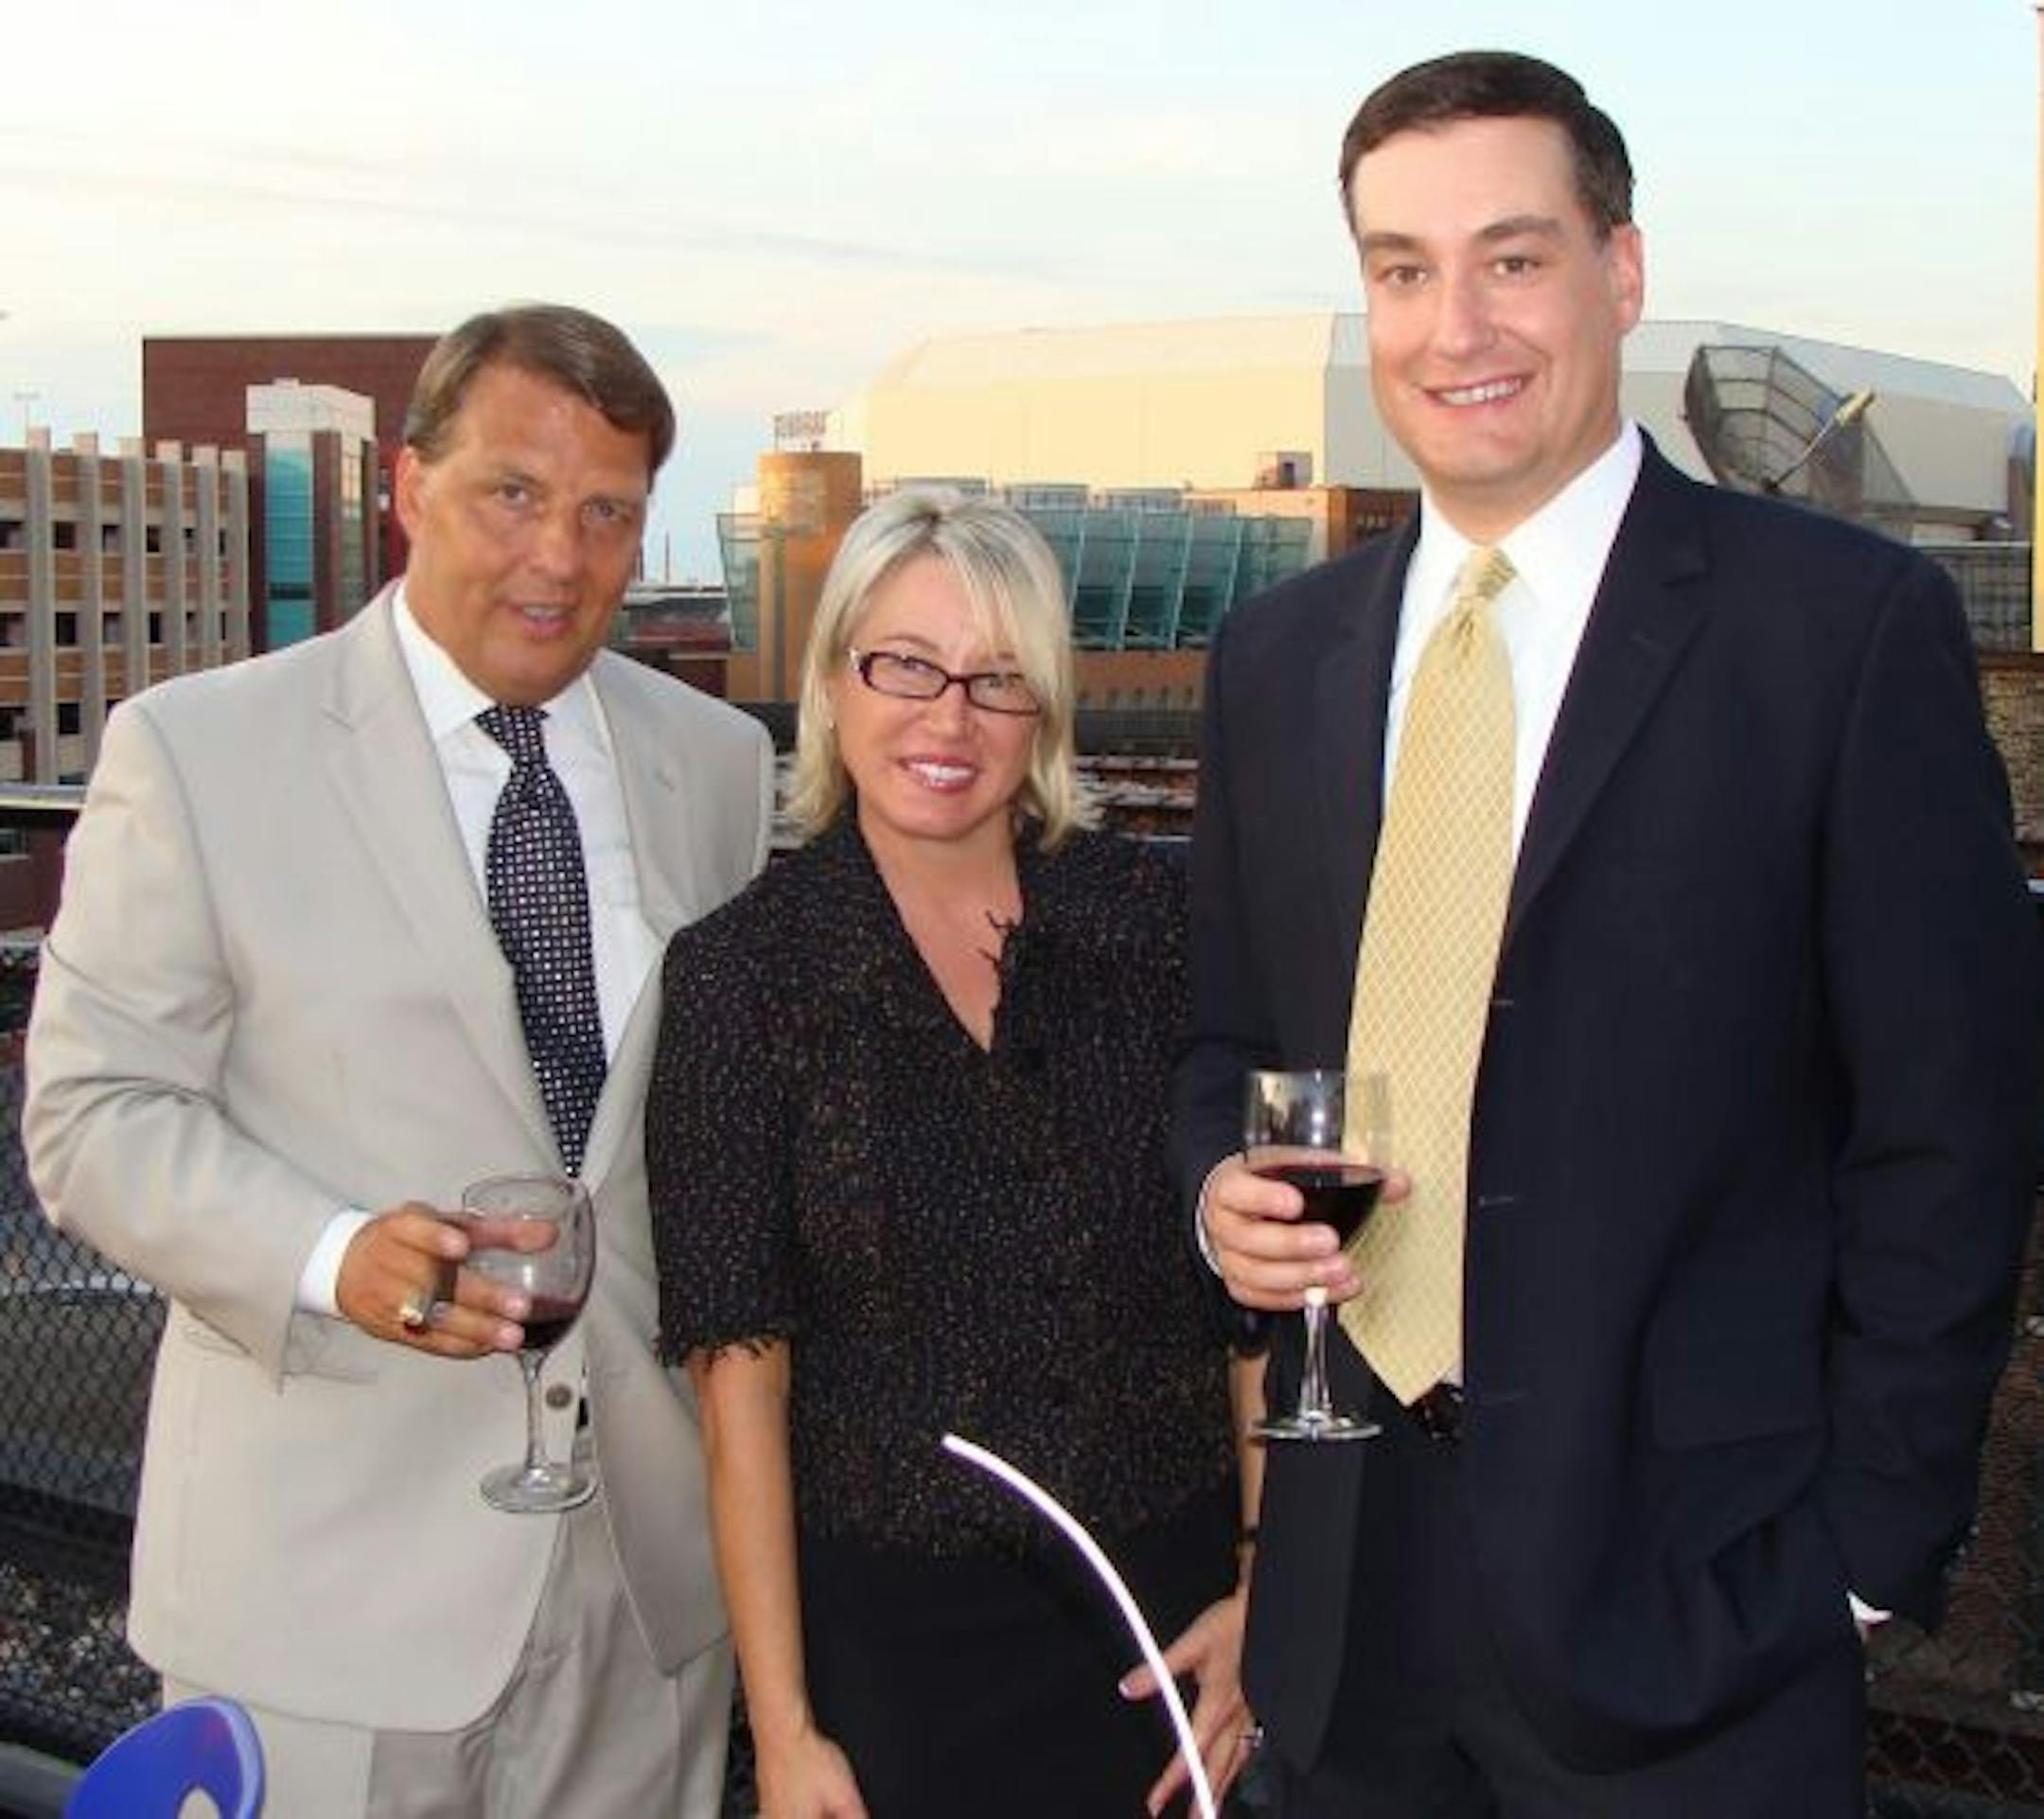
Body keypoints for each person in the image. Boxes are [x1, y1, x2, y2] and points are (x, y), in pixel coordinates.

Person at [1176, 50, 2044, 1818]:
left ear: (1621, 272)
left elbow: (1953, 1123)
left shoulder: (1839, 631)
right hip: (1345, 1611)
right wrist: (1217, 1197)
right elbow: (1227, 1045)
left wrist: (1860, 1555)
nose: (1455, 326)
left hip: (1698, 1614)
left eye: (1513, 257)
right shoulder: (1277, 660)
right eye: (1403, 269)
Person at [24, 303, 774, 1818]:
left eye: (607, 511)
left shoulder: (717, 765)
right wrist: (329, 1253)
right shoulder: (199, 751)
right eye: (513, 492)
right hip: (323, 1596)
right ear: (409, 488)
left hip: (643, 1596)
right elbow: (92, 1116)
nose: (559, 554)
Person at [647, 486, 1260, 1819]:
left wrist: (1265, 1590)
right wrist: (785, 1731)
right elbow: (739, 1385)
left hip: (1171, 1631)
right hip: (897, 1658)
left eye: (998, 678)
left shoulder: (1158, 928)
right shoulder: (741, 979)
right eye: (907, 665)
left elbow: (1255, 1298)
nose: (950, 718)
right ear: (832, 683)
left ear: (1044, 710)